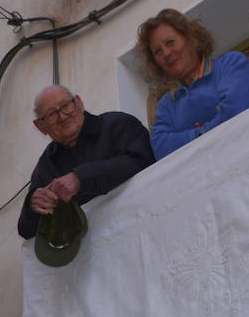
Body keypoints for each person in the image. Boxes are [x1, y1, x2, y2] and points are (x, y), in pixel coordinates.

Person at [17, 85, 154, 239]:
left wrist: (80, 178)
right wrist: (32, 206)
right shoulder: (47, 164)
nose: (62, 117)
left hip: (145, 230)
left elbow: (142, 160)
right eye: (51, 114)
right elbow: (27, 231)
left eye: (65, 105)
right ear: (40, 126)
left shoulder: (117, 124)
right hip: (92, 252)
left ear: (79, 103)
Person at [137, 9, 249, 160]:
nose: (166, 53)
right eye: (158, 51)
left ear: (192, 39)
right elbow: (161, 148)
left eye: (170, 42)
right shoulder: (166, 105)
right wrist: (205, 132)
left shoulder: (231, 64)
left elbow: (235, 117)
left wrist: (190, 140)